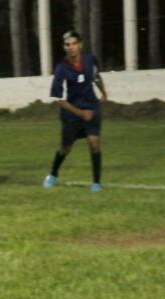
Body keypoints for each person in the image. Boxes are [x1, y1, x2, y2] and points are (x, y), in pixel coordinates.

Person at [43, 30, 107, 192]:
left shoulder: (90, 60)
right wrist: (80, 113)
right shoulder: (61, 67)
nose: (71, 47)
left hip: (91, 107)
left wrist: (104, 92)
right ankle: (53, 174)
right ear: (64, 47)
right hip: (72, 113)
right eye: (67, 45)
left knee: (94, 143)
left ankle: (96, 182)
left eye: (74, 44)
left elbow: (96, 76)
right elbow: (59, 99)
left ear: (80, 45)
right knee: (65, 148)